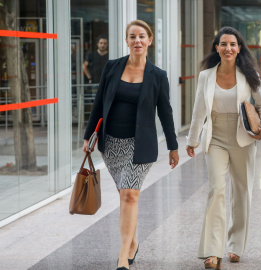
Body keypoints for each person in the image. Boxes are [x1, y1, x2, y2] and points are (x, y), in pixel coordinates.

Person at [82, 20, 179, 270]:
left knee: (130, 194)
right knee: (125, 196)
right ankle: (133, 241)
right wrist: (88, 136)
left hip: (140, 146)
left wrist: (173, 145)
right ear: (126, 41)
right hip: (112, 144)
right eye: (132, 36)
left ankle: (123, 255)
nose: (137, 40)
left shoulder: (158, 76)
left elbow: (165, 112)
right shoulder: (112, 67)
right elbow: (99, 102)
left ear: (149, 41)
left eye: (142, 36)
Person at [186, 26, 261, 270]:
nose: (228, 48)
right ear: (216, 47)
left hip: (243, 136)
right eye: (223, 44)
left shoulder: (248, 74)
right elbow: (198, 111)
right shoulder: (206, 75)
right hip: (215, 135)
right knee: (216, 189)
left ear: (239, 48)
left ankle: (235, 245)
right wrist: (192, 140)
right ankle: (213, 252)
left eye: (233, 44)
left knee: (242, 190)